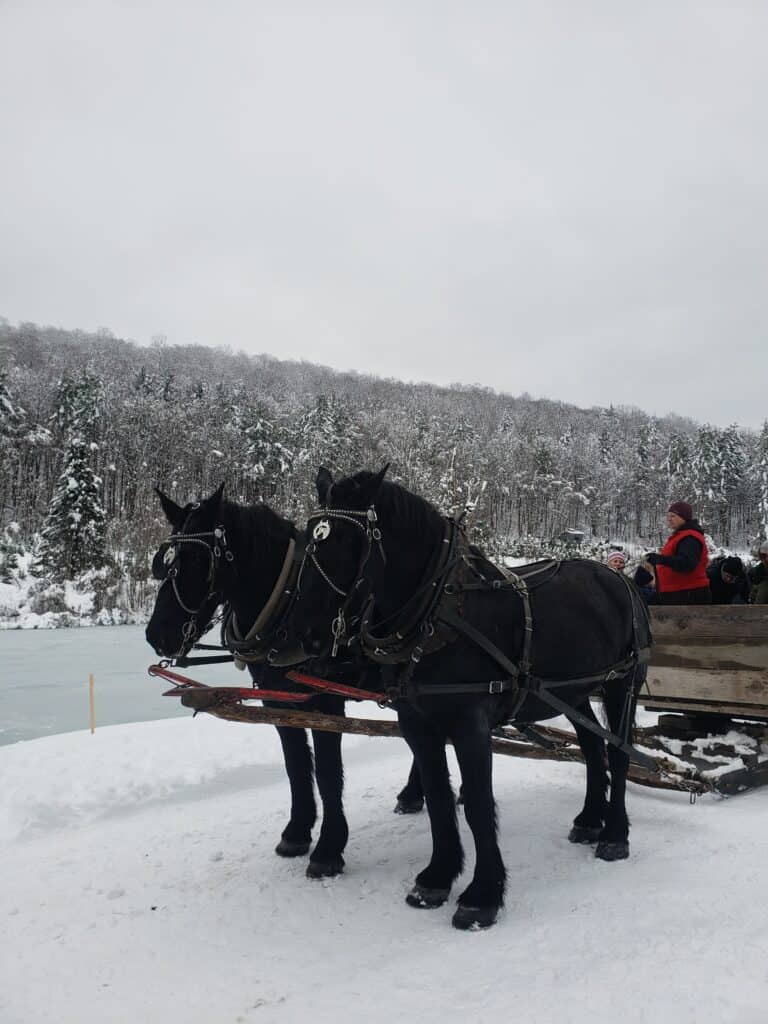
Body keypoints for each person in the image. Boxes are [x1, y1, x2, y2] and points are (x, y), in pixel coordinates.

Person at [643, 501, 711, 605]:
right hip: (677, 593)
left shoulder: (690, 538)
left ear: (684, 517)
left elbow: (687, 564)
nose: (669, 519)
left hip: (688, 594)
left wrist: (660, 559)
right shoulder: (680, 536)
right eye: (668, 516)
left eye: (673, 516)